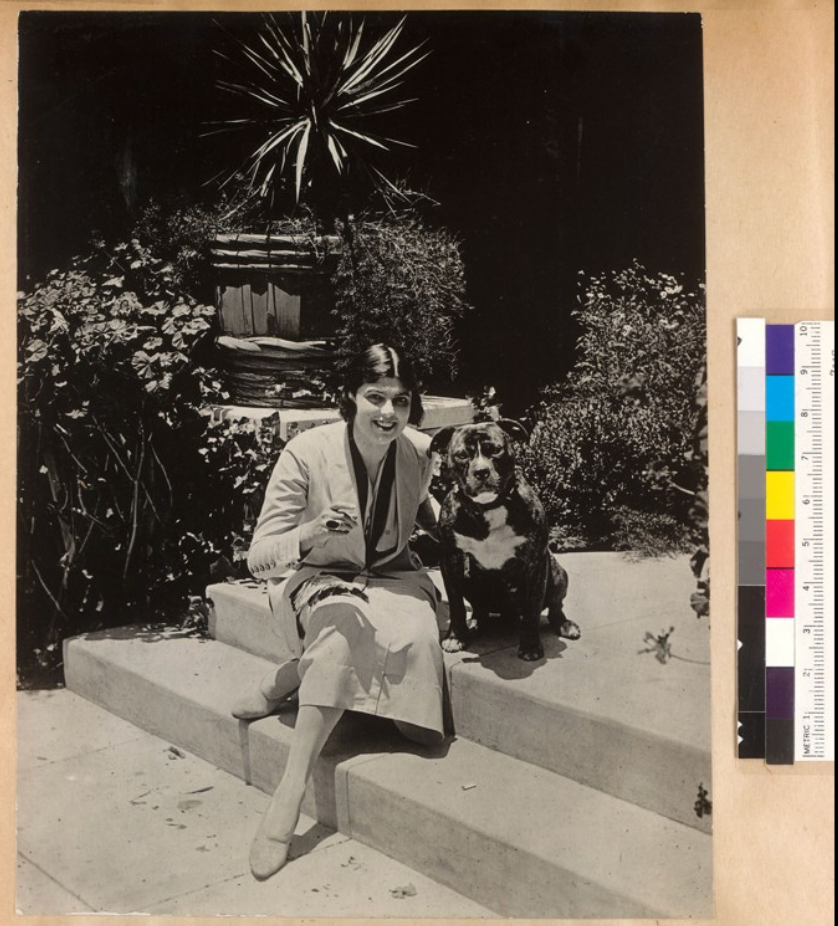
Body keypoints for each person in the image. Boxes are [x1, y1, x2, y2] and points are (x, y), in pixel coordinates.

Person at [232, 343, 445, 881]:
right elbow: (258, 557)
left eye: (401, 400)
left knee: (422, 732)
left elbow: (433, 515)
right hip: (320, 580)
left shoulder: (418, 452)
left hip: (394, 580)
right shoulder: (307, 452)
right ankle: (289, 794)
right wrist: (309, 531)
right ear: (348, 399)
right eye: (375, 397)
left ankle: (293, 676)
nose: (388, 413)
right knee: (343, 629)